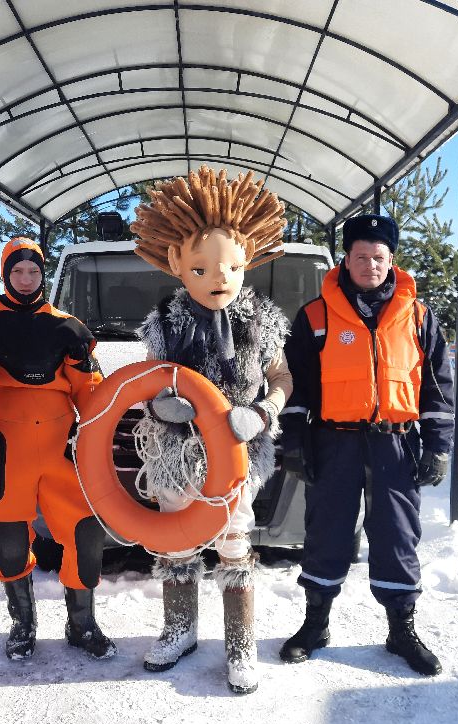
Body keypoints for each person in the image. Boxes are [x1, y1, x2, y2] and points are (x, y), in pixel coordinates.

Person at [130, 166, 291, 694]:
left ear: (249, 260)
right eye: (202, 268)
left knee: (233, 540)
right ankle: (179, 630)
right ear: (177, 263)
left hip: (239, 455)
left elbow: (281, 376)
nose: (218, 278)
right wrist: (161, 408)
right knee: (177, 541)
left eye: (230, 267)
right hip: (177, 455)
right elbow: (148, 380)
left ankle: (240, 646)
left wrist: (264, 411)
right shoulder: (164, 322)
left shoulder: (262, 322)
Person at [279, 213, 454, 676]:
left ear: (391, 259)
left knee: (398, 536)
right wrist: (294, 438)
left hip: (396, 446)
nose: (371, 265)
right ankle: (315, 624)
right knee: (326, 532)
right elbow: (297, 384)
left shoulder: (418, 316)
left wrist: (437, 445)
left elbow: (438, 387)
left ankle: (401, 630)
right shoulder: (316, 316)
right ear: (347, 259)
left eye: (379, 257)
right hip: (334, 442)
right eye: (362, 257)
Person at [0, 237, 115, 661]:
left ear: (43, 274)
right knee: (10, 538)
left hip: (59, 446)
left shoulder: (67, 327)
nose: (26, 279)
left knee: (86, 533)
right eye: (18, 271)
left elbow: (90, 391)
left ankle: (82, 624)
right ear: (5, 274)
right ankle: (22, 623)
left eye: (34, 271)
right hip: (4, 447)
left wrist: (98, 435)